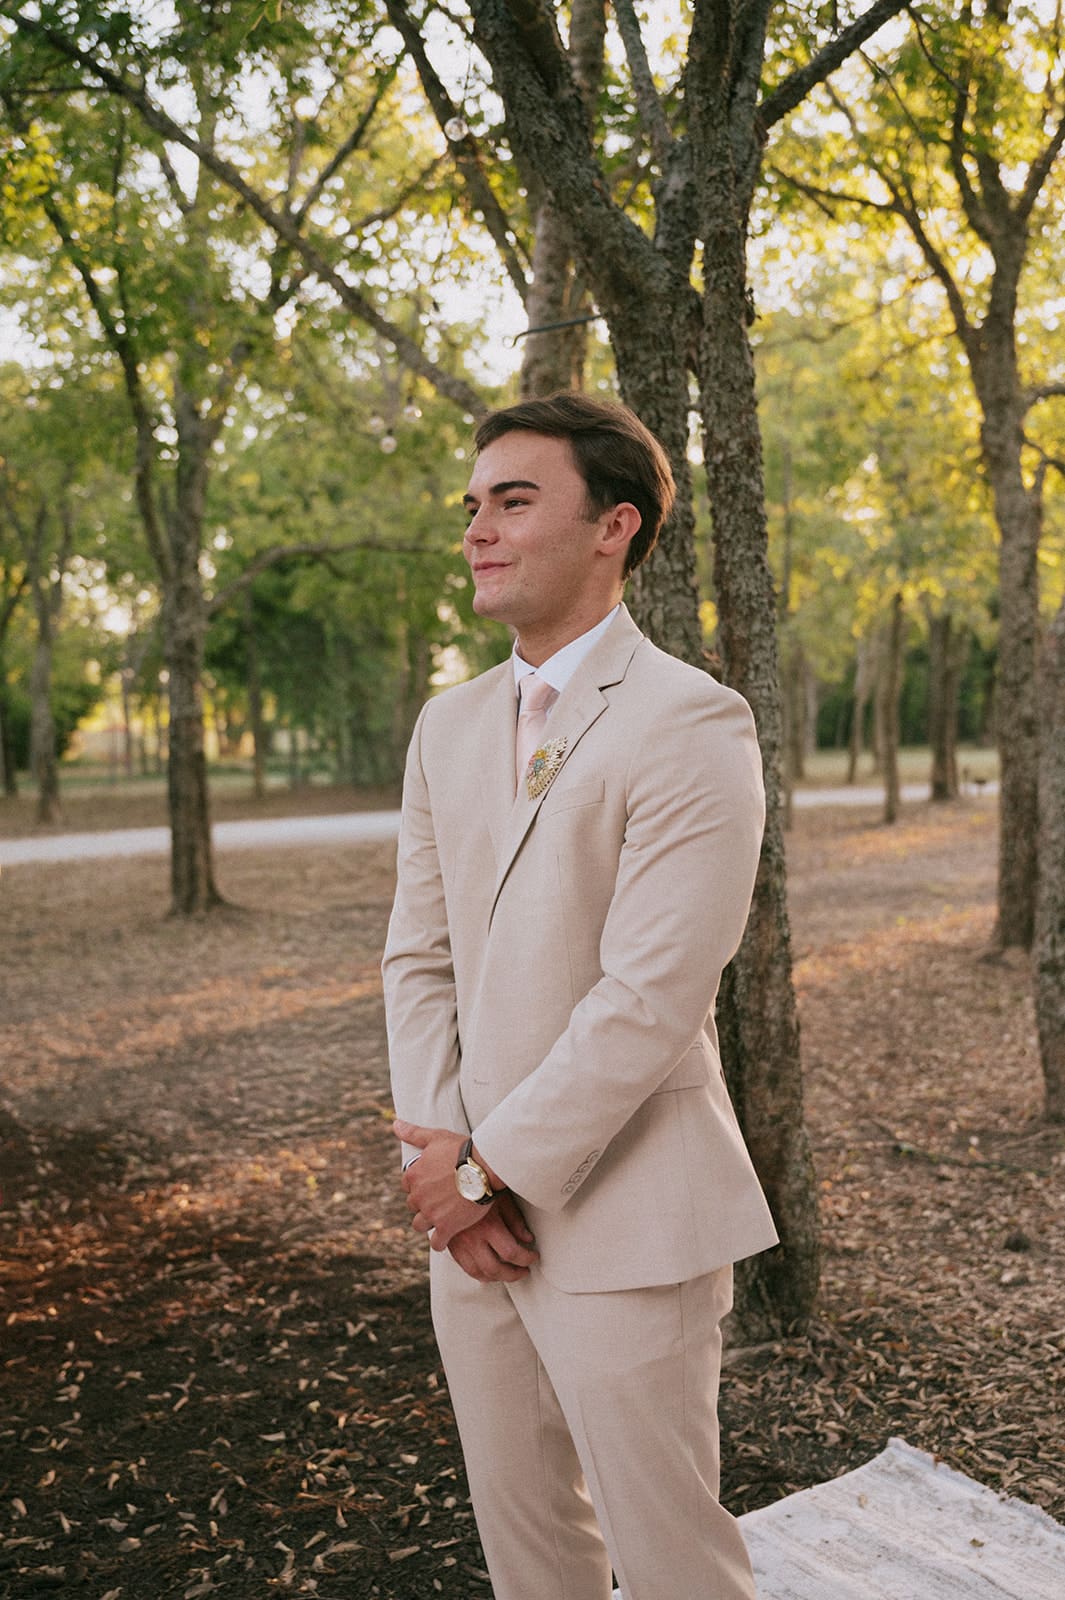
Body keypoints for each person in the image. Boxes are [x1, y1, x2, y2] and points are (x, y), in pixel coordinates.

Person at [382, 391, 778, 1600]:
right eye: (472, 507)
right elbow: (418, 958)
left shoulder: (693, 721)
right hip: (473, 1227)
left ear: (616, 525)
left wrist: (475, 1175)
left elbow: (649, 997)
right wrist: (447, 1164)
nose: (478, 532)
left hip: (629, 1209)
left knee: (672, 1564)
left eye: (514, 501)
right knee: (530, 1555)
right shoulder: (447, 726)